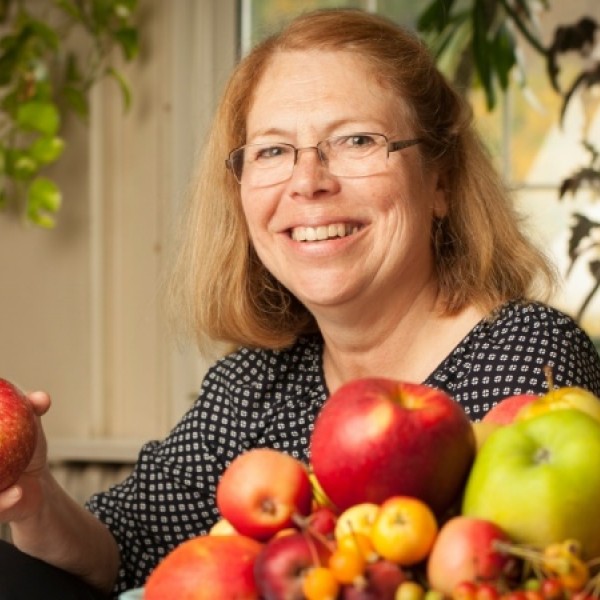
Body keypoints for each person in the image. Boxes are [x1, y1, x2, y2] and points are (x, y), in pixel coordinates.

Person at [1, 7, 600, 599]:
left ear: (439, 182)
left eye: (357, 140)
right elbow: (121, 551)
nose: (308, 180)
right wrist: (34, 497)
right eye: (272, 150)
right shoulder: (253, 385)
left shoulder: (527, 356)